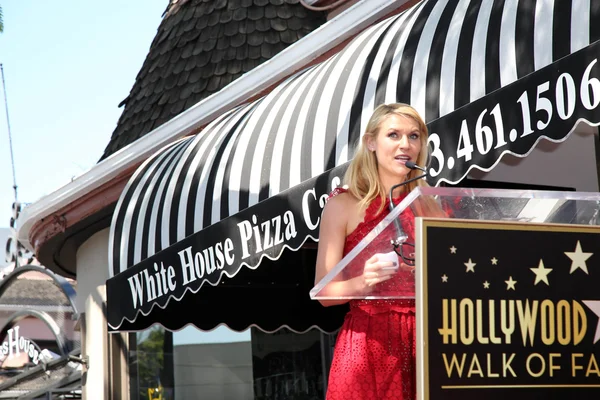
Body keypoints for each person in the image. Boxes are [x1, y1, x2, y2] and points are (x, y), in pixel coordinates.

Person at [315, 103, 430, 400]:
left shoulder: (431, 205)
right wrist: (363, 281)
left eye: (414, 136)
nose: (406, 144)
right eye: (393, 134)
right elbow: (324, 294)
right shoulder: (343, 204)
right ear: (370, 142)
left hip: (427, 339)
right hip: (369, 344)